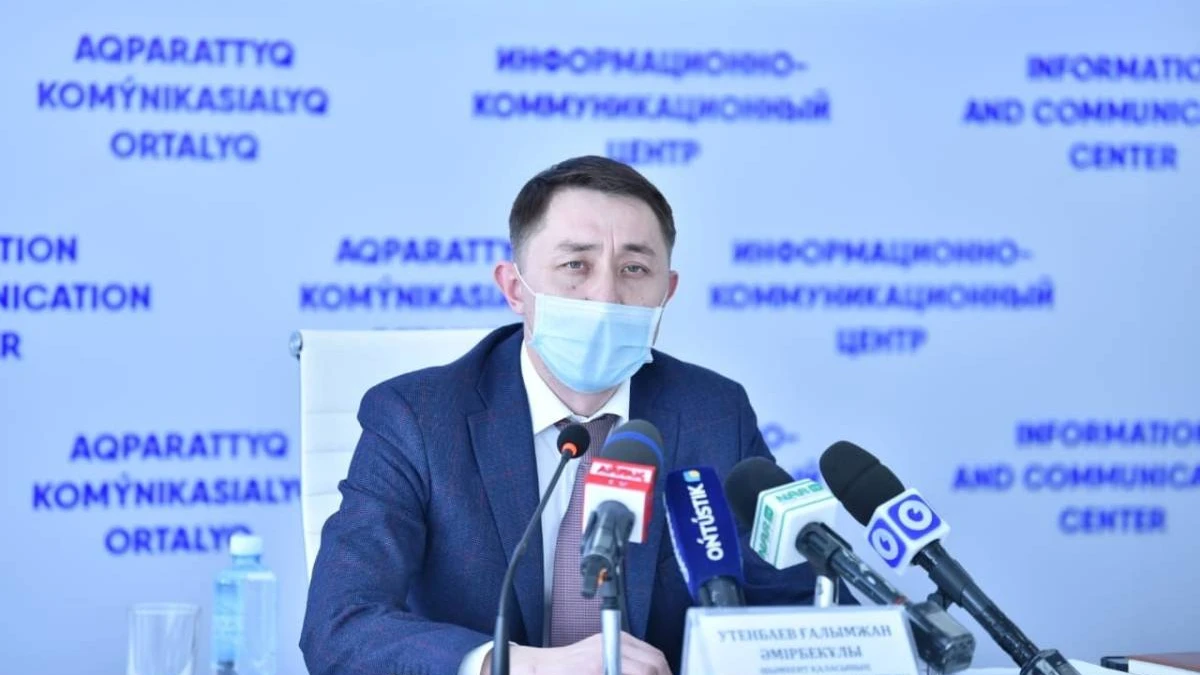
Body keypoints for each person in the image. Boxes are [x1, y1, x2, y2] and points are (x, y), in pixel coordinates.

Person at [300, 156, 838, 675]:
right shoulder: (418, 419)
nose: (606, 295)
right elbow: (339, 626)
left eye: (634, 269)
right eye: (575, 265)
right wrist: (518, 666)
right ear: (515, 289)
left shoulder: (714, 414)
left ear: (667, 292)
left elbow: (801, 606)